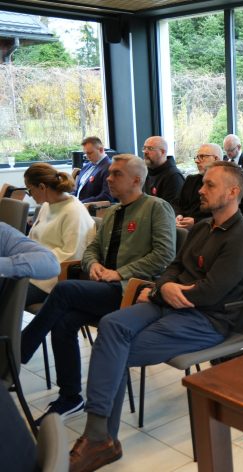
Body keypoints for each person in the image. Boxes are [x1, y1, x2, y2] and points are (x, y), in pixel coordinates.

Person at [67, 161, 243, 472]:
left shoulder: (241, 239)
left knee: (116, 349)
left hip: (209, 320)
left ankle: (99, 438)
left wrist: (162, 291)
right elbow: (172, 265)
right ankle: (101, 439)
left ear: (233, 191)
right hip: (170, 304)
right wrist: (165, 286)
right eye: (203, 183)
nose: (201, 189)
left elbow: (209, 293)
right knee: (112, 325)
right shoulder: (201, 227)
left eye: (210, 185)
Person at [19, 154, 176, 424]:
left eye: (116, 174)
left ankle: (20, 351)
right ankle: (71, 397)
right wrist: (93, 266)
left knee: (64, 290)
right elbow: (91, 248)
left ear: (136, 180)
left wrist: (119, 272)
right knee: (64, 322)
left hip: (132, 290)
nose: (108, 178)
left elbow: (164, 254)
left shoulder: (156, 208)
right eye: (110, 173)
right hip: (104, 286)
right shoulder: (113, 211)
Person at [23, 163, 96, 306]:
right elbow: (33, 239)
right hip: (32, 271)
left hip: (48, 280)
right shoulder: (47, 205)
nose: (30, 196)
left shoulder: (73, 212)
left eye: (30, 190)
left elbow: (73, 255)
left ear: (42, 187)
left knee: (6, 295)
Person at [173, 143, 222, 230]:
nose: (197, 161)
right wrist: (178, 215)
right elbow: (177, 203)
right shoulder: (191, 180)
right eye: (197, 157)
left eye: (202, 156)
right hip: (181, 228)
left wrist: (196, 222)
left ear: (216, 159)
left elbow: (223, 215)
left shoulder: (225, 184)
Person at [142, 136, 185, 205]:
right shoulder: (145, 172)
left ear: (162, 152)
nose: (145, 152)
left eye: (150, 148)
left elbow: (171, 210)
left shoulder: (173, 176)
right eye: (144, 148)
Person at [75, 136, 114, 203]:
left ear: (101, 150)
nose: (87, 157)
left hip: (92, 208)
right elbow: (76, 190)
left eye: (89, 153)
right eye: (85, 154)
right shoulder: (86, 166)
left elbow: (106, 196)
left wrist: (80, 204)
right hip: (78, 205)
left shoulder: (110, 167)